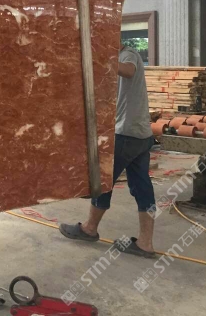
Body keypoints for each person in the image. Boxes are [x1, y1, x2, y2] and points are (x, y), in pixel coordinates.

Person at [59, 44, 156, 258]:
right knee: (142, 188)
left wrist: (101, 59)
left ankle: (89, 228)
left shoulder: (128, 54)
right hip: (140, 134)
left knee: (103, 181)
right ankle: (145, 243)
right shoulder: (121, 57)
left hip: (127, 134)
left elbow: (128, 70)